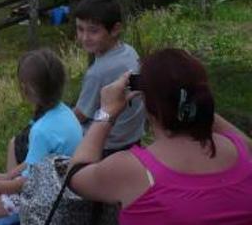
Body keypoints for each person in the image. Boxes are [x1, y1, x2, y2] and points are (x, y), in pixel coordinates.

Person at [68, 48, 252, 224]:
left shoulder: (133, 170)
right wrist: (193, 100)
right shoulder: (241, 149)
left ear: (149, 104)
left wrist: (107, 111)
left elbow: (76, 175)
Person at [0, 49, 83, 225]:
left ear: (24, 89)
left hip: (45, 200)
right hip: (64, 189)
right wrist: (7, 176)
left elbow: (30, 182)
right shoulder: (66, 113)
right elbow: (34, 163)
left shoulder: (41, 130)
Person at [73, 0, 145, 155]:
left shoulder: (98, 72)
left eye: (93, 31)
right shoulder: (129, 51)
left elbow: (80, 116)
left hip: (108, 144)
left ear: (115, 29)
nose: (84, 37)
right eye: (80, 29)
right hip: (132, 136)